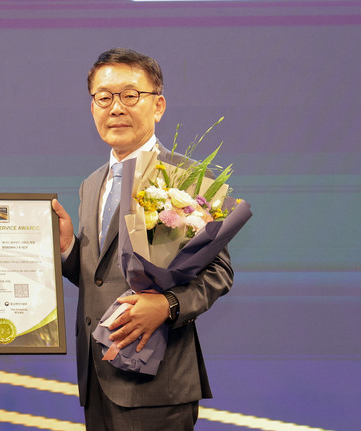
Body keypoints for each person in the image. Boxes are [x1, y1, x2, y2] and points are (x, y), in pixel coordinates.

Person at [51, 48, 234, 430]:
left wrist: (167, 304)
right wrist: (69, 249)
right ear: (93, 107)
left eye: (130, 95)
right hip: (98, 375)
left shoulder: (186, 177)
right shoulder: (91, 184)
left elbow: (218, 273)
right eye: (104, 97)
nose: (116, 108)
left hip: (158, 382)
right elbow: (101, 276)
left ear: (158, 105)